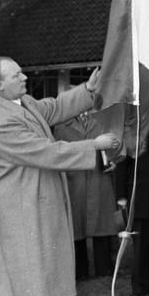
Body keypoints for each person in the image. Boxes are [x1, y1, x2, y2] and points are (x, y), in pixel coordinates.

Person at [0, 56, 120, 296]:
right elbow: (47, 152)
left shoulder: (21, 103)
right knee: (37, 295)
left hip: (32, 209)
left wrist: (88, 90)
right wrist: (94, 146)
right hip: (25, 213)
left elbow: (55, 108)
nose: (24, 77)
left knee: (17, 293)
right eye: (16, 75)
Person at [54, 111, 119, 280]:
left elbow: (116, 146)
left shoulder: (104, 119)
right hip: (74, 180)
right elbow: (57, 153)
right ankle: (79, 271)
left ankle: (104, 270)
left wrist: (115, 160)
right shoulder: (61, 125)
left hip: (99, 177)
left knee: (102, 223)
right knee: (76, 226)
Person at [116, 105, 149, 296]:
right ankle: (140, 287)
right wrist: (121, 197)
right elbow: (121, 167)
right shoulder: (133, 133)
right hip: (140, 199)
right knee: (141, 247)